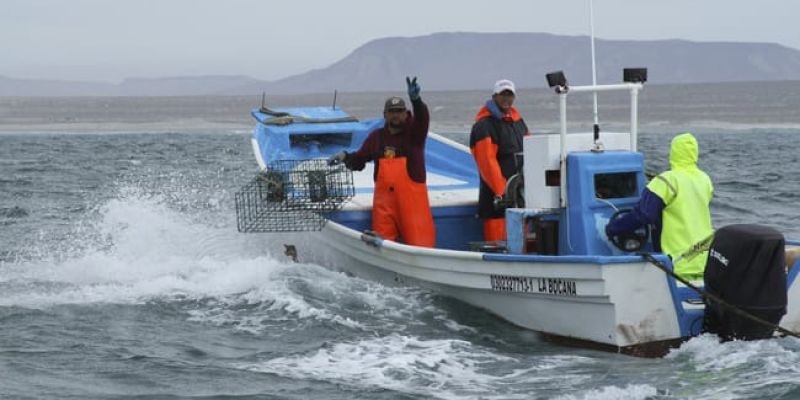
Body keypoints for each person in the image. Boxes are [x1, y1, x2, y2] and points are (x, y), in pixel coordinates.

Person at [328, 77, 435, 247]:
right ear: (384, 114)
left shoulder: (415, 134)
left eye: (400, 111)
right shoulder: (376, 137)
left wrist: (416, 100)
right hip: (385, 206)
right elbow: (360, 160)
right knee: (383, 245)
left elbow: (422, 118)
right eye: (392, 111)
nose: (396, 115)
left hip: (412, 204)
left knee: (421, 245)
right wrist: (345, 157)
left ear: (406, 113)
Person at [605, 132, 714, 280]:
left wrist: (613, 228)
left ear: (673, 152)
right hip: (703, 262)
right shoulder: (704, 179)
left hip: (677, 262)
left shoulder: (666, 180)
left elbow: (643, 214)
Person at [469, 79, 530, 242]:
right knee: (499, 242)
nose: (506, 99)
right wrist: (502, 193)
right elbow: (486, 162)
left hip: (519, 195)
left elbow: (531, 151)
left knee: (521, 242)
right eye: (502, 95)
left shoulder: (518, 122)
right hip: (497, 199)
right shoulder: (484, 125)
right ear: (494, 96)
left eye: (510, 95)